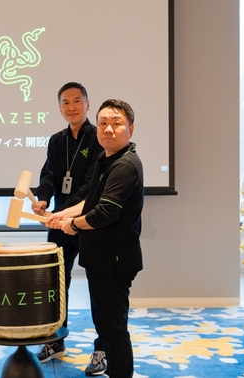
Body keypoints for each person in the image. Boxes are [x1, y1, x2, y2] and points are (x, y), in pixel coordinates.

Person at [46, 99, 143, 378]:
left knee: (113, 331)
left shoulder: (125, 166)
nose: (108, 129)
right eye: (103, 123)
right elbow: (91, 202)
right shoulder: (106, 158)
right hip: (101, 259)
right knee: (106, 326)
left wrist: (72, 225)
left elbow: (104, 213)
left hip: (114, 261)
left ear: (130, 129)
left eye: (116, 123)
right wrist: (60, 215)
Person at [31, 82, 106, 375]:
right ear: (60, 107)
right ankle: (55, 341)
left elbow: (91, 185)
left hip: (88, 221)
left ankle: (103, 348)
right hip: (58, 222)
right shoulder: (56, 140)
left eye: (77, 101)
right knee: (55, 283)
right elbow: (49, 174)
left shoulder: (97, 138)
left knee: (98, 287)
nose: (71, 107)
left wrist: (65, 213)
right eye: (65, 102)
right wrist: (42, 199)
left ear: (87, 104)